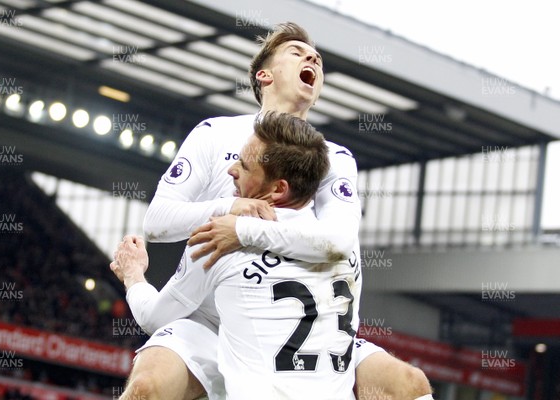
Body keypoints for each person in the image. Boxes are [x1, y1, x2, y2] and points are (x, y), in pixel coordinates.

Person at [134, 22, 432, 400]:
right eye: (297, 53)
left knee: (410, 385)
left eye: (318, 60)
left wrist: (242, 231)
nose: (312, 58)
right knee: (148, 386)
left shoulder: (332, 159)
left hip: (301, 325)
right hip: (208, 321)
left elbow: (338, 241)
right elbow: (156, 223)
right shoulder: (213, 133)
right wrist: (232, 206)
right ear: (264, 75)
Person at [112, 112, 359, 399]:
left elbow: (154, 317)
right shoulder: (344, 248)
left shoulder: (221, 239)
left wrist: (133, 275)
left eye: (244, 165)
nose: (231, 170)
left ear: (279, 188)